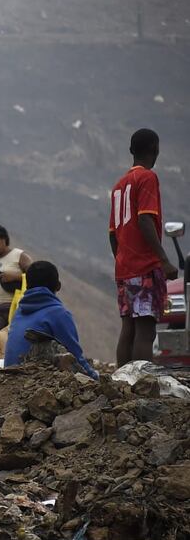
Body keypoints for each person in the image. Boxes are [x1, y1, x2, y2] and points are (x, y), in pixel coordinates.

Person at [109, 128, 179, 367]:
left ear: (131, 151)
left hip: (124, 267)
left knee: (128, 326)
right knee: (146, 330)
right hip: (145, 268)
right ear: (155, 149)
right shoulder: (147, 177)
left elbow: (112, 234)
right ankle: (141, 385)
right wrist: (163, 260)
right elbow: (145, 219)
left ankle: (123, 383)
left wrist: (122, 259)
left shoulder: (119, 186)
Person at [5, 261, 98, 379]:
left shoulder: (19, 311)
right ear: (58, 286)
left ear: (27, 286)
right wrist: (95, 378)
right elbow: (75, 356)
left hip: (8, 377)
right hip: (31, 382)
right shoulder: (58, 314)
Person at [0, 224, 32, 335]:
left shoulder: (19, 256)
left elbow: (36, 274)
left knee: (14, 339)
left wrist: (15, 277)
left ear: (3, 239)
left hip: (15, 307)